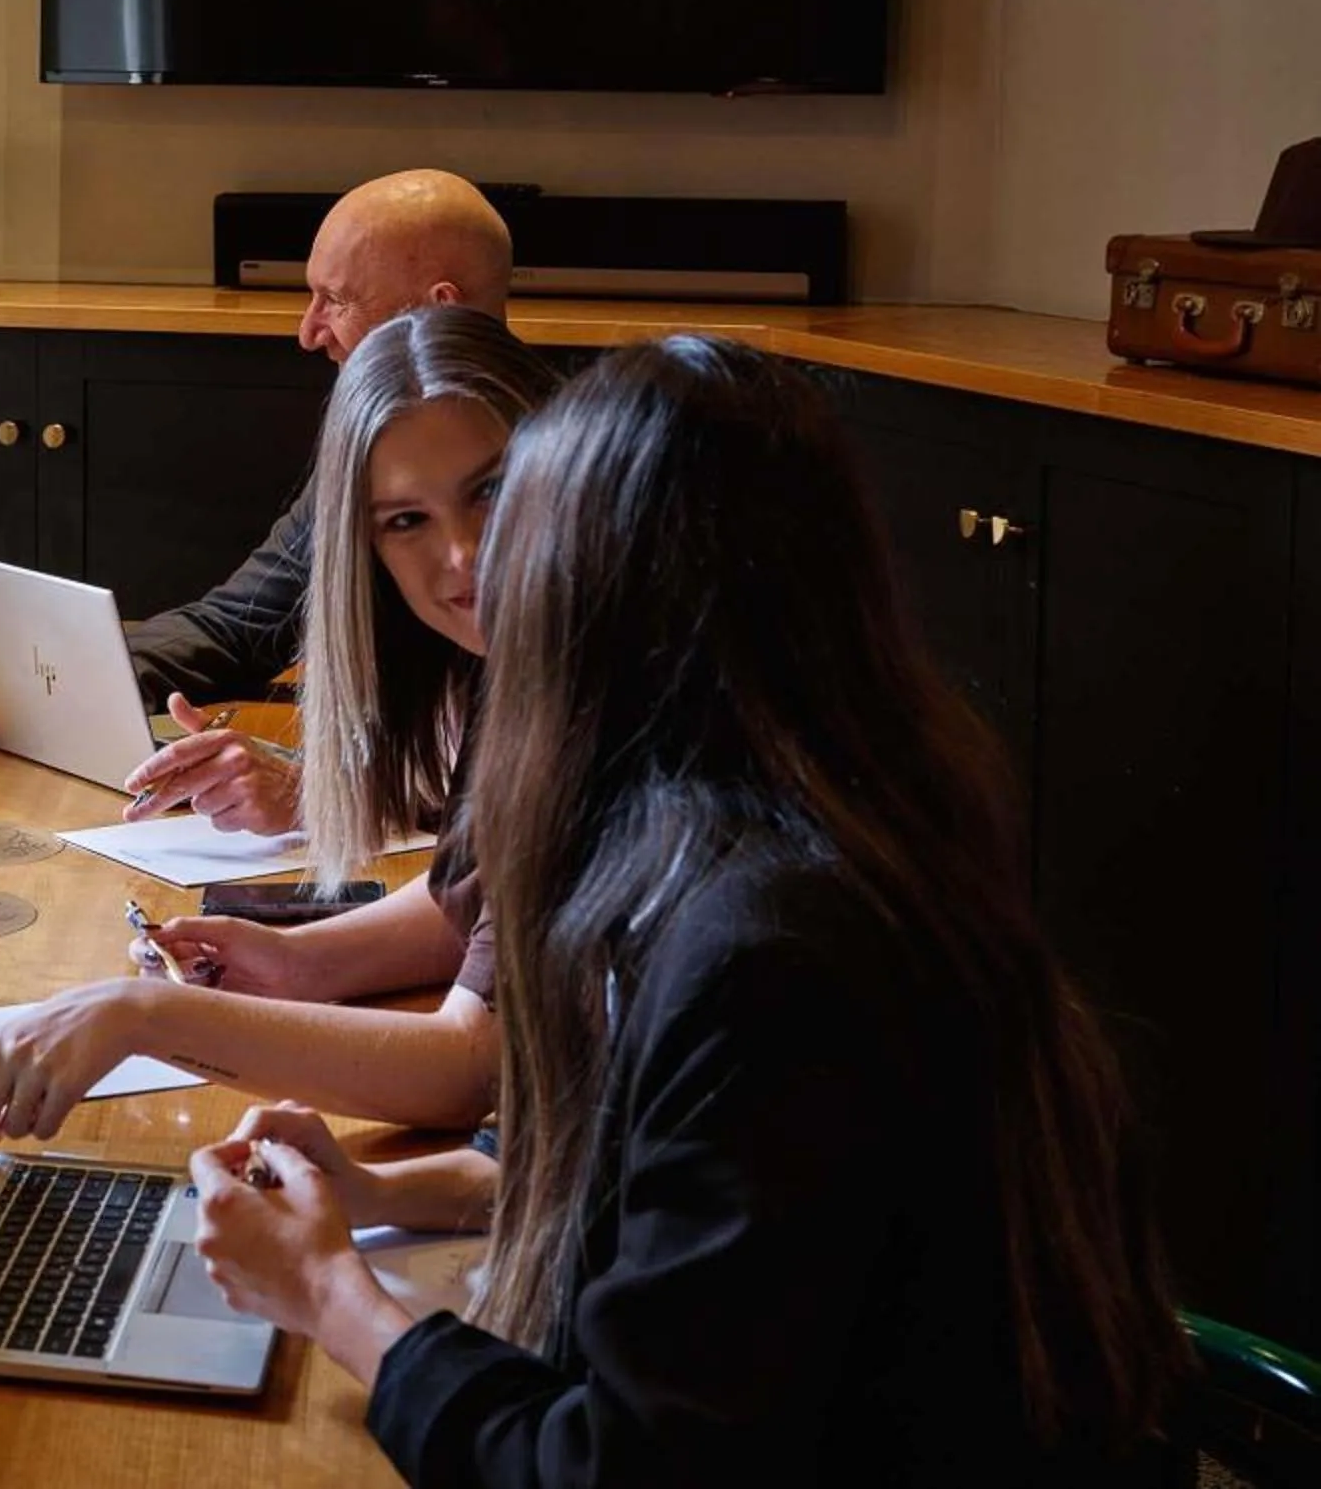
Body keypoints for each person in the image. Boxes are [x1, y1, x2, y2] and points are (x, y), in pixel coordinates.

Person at [191, 337, 1185, 1487]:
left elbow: (615, 1469)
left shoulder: (769, 955)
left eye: (523, 533)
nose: (482, 576)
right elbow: (655, 1185)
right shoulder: (798, 825)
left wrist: (333, 1295)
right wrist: (377, 1194)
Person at [0, 309, 556, 1135]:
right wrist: (298, 963)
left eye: (490, 491)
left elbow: (465, 1068)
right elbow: (491, 903)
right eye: (406, 521)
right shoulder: (507, 651)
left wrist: (150, 1018)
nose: (461, 554)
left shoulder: (599, 680)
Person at [0, 169, 517, 837]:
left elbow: (542, 808)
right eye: (405, 521)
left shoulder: (579, 489)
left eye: (335, 299)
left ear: (437, 314)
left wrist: (325, 796)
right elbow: (240, 624)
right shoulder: (369, 450)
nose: (308, 332)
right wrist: (68, 679)